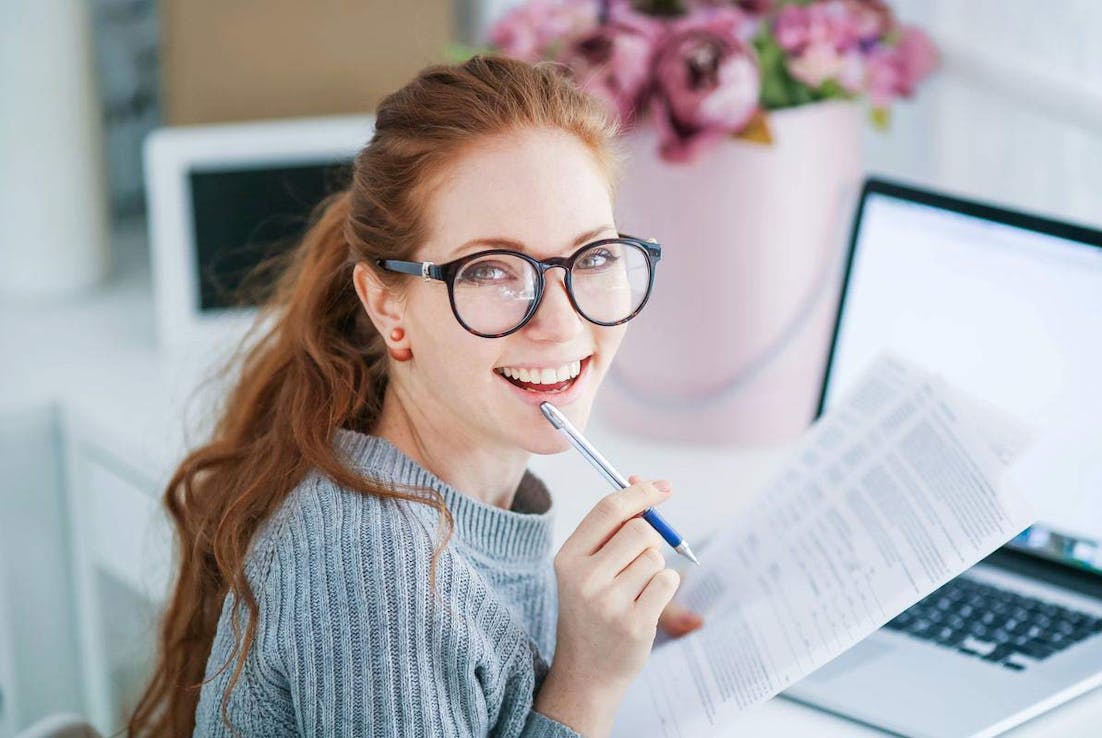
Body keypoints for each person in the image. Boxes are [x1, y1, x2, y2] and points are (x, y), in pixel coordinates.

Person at [127, 54, 704, 737]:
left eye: (596, 256)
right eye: (492, 270)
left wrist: (584, 630)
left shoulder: (463, 499)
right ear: (387, 309)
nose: (563, 322)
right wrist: (586, 684)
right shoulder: (375, 576)